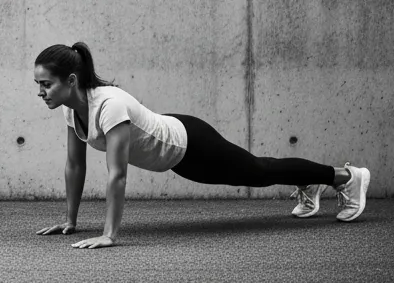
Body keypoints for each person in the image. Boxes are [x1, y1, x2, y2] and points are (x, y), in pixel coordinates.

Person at [32, 42, 370, 248]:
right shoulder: (72, 110)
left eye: (46, 84)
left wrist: (109, 234)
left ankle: (345, 177)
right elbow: (75, 165)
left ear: (71, 81)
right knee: (254, 174)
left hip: (191, 142)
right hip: (178, 159)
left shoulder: (109, 105)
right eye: (39, 85)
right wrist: (70, 220)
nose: (41, 92)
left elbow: (117, 175)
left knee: (259, 171)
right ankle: (308, 181)